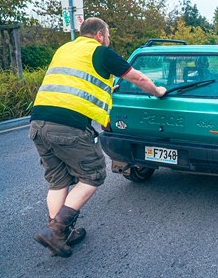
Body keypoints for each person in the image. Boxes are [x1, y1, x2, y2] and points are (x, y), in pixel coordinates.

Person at [29, 17, 166, 258]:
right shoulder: (101, 52)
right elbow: (138, 79)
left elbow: (81, 86)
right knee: (92, 177)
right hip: (68, 126)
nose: (108, 40)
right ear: (100, 35)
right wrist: (158, 91)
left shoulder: (64, 49)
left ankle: (61, 234)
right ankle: (58, 231)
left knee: (58, 181)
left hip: (38, 123)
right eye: (108, 36)